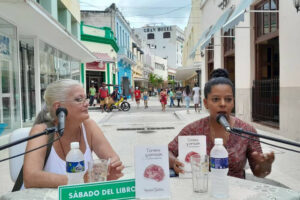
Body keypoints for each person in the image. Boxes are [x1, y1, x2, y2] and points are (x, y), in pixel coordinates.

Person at [168, 69, 275, 179]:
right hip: (202, 191)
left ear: (233, 102)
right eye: (215, 99)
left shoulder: (246, 130)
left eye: (228, 99)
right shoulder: (193, 130)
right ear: (205, 103)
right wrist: (173, 162)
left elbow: (258, 172)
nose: (223, 104)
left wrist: (265, 166)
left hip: (236, 192)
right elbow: (167, 151)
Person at [23, 79, 124, 189]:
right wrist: (81, 180)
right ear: (59, 107)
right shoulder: (41, 132)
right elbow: (30, 178)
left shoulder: (89, 126)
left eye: (85, 98)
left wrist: (112, 167)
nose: (86, 103)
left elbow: (112, 159)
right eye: (79, 99)